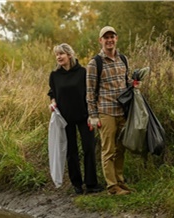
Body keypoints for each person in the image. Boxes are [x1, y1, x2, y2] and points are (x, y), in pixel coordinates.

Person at [86, 26, 139, 195]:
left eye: (112, 37)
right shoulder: (95, 63)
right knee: (108, 149)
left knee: (121, 147)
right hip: (106, 111)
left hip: (122, 111)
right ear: (100, 40)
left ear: (116, 39)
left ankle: (120, 181)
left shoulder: (123, 59)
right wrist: (93, 116)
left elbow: (125, 82)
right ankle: (112, 187)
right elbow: (90, 91)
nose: (109, 40)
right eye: (105, 37)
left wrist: (134, 84)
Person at [48, 43, 103, 195]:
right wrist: (52, 103)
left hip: (84, 117)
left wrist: (92, 115)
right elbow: (52, 92)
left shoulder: (83, 72)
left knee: (89, 148)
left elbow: (91, 93)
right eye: (57, 54)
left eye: (61, 54)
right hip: (65, 120)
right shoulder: (55, 75)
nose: (59, 57)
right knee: (71, 152)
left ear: (70, 55)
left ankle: (91, 183)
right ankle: (77, 184)